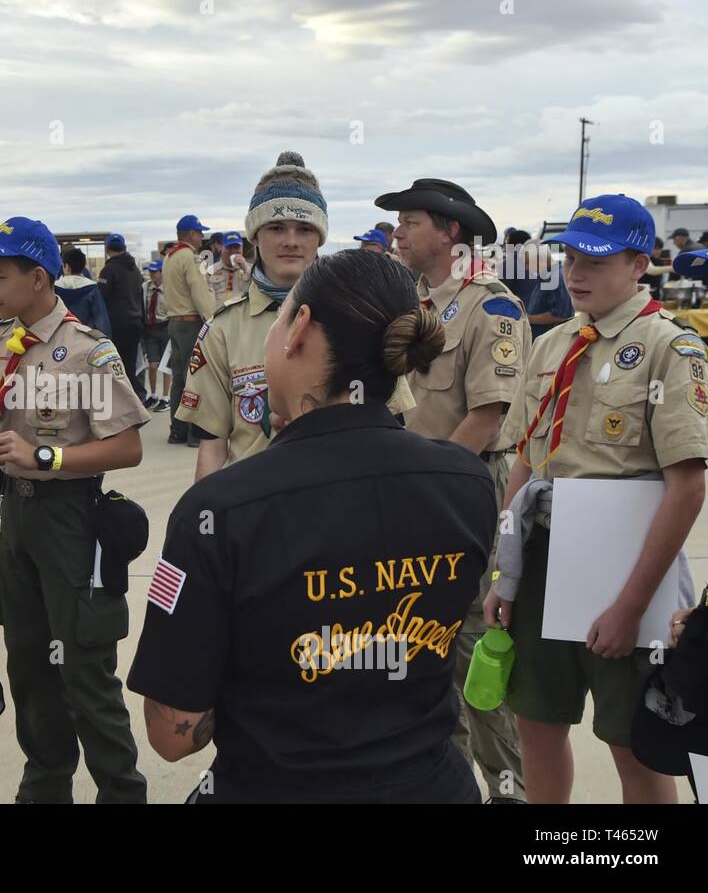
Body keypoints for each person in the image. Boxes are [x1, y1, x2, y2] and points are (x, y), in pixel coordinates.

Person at [128, 250, 497, 803]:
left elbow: (172, 734)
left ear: (297, 329)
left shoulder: (221, 511)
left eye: (278, 321)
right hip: (432, 784)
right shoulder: (466, 480)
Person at [486, 195, 708, 804]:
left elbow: (688, 486)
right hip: (544, 557)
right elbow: (527, 462)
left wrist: (631, 606)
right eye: (571, 256)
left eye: (597, 260)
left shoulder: (670, 349)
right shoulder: (553, 343)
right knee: (535, 722)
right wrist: (505, 574)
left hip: (626, 570)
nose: (576, 272)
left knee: (634, 744)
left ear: (639, 264)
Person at [0, 216, 149, 804]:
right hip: (17, 521)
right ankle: (45, 787)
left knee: (86, 671)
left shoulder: (87, 352)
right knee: (31, 668)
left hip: (71, 523)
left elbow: (129, 446)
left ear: (38, 278)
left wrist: (46, 454)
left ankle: (120, 790)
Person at [376, 177, 528, 802]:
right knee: (418, 643)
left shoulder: (490, 307)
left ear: (450, 232)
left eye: (411, 222)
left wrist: (426, 489)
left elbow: (488, 418)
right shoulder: (405, 302)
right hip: (409, 488)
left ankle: (510, 790)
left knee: (471, 647)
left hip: (464, 490)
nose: (399, 233)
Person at [179, 152, 324, 479]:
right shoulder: (223, 329)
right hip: (252, 514)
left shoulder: (358, 317)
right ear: (255, 236)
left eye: (304, 228)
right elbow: (212, 446)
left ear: (320, 237)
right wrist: (204, 521)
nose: (291, 241)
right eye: (276, 227)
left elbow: (392, 426)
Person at [163, 214, 214, 446]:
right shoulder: (192, 259)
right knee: (195, 377)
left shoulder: (169, 257)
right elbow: (199, 291)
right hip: (191, 322)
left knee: (178, 378)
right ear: (191, 234)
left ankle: (178, 430)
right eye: (199, 232)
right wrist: (211, 319)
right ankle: (195, 433)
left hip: (174, 321)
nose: (202, 237)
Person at [97, 232, 147, 402]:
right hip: (135, 323)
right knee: (131, 366)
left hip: (116, 325)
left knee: (115, 366)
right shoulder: (135, 270)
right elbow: (141, 297)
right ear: (124, 248)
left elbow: (101, 298)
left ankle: (121, 402)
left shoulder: (108, 270)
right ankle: (134, 399)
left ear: (108, 249)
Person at [54, 246, 113, 335]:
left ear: (66, 266)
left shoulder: (54, 288)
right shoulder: (92, 288)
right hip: (85, 337)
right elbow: (101, 321)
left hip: (59, 337)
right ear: (83, 266)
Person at [142, 258, 170, 412]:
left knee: (166, 366)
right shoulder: (146, 287)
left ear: (162, 272)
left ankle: (166, 397)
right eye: (151, 271)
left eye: (155, 271)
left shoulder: (170, 288)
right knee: (152, 364)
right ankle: (153, 395)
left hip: (165, 327)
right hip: (151, 329)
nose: (152, 274)